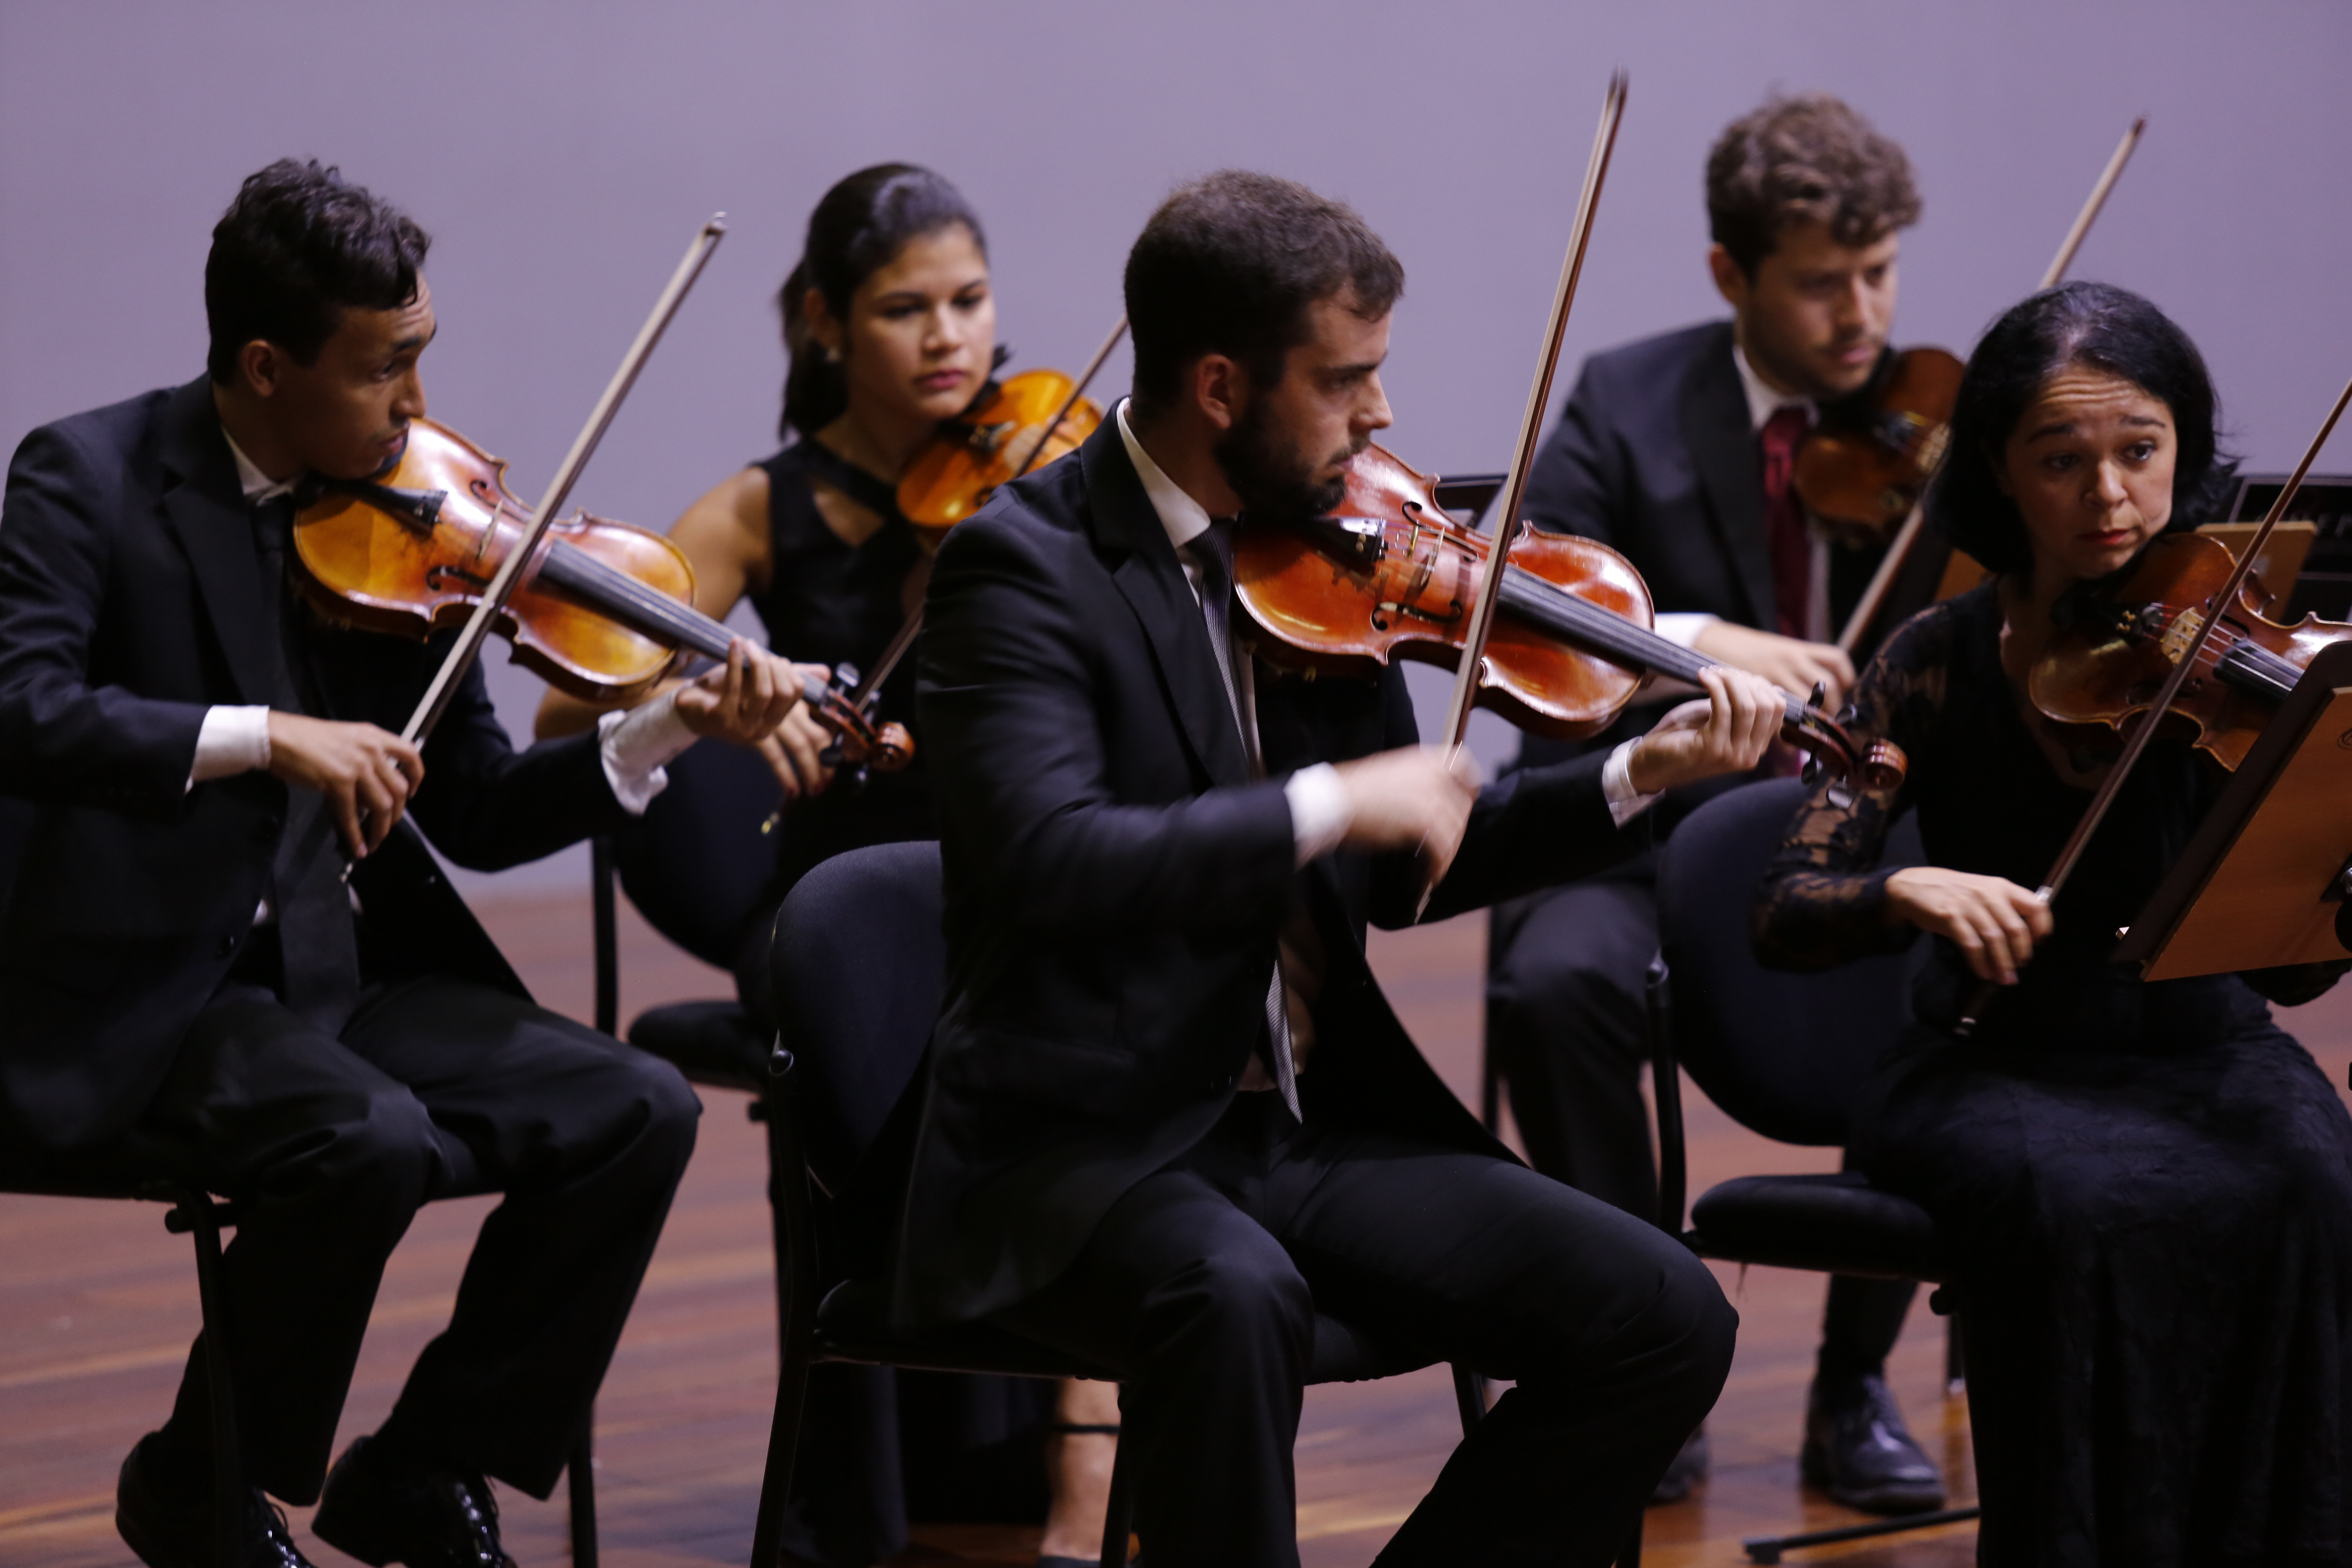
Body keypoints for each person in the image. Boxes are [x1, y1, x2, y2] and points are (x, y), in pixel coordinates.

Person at [895, 169, 1789, 1568]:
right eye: (1346, 380)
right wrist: (1328, 798)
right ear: (1218, 386)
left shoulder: (1329, 553)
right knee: (1235, 1299)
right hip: (1087, 1143)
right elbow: (1049, 862)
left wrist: (1636, 774)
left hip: (1306, 1129)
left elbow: (1402, 868)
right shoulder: (1023, 570)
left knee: (1663, 1312)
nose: (1379, 415)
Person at [0, 159, 807, 1568]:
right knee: (363, 1140)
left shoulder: (407, 522)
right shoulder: (87, 477)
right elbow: (26, 710)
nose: (419, 410)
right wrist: (271, 738)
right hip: (159, 987)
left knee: (635, 1108)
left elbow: (486, 811)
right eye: (384, 372)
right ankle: (201, 1482)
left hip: (340, 967)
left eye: (421, 360)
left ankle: (426, 1466)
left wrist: (671, 718)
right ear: (264, 366)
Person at [534, 163, 1121, 1568]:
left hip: (1005, 878)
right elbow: (566, 709)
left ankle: (1083, 1449)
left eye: (971, 303)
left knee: (1103, 991)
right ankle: (856, 1501)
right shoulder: (761, 509)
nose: (951, 341)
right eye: (905, 309)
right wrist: (709, 690)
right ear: (822, 324)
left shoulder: (1039, 479)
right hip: (828, 902)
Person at [1755, 279, 2352, 1563]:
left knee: (2311, 1172)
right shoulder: (1933, 656)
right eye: (2061, 461)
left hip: (2203, 1042)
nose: (2110, 499)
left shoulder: (2238, 657)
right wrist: (1900, 888)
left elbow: (2295, 986)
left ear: (2184, 452)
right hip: (1998, 1059)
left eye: (2141, 454)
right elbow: (1787, 908)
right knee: (2072, 1207)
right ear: (1999, 474)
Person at [1483, 91, 1945, 1510]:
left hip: (1846, 839)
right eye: (1821, 283)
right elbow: (1528, 609)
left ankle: (1854, 1384)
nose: (1861, 316)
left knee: (1945, 992)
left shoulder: (1935, 433)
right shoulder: (1628, 400)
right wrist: (1695, 642)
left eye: (1878, 275)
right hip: (1638, 831)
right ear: (1731, 277)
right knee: (1551, 991)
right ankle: (1644, 1342)